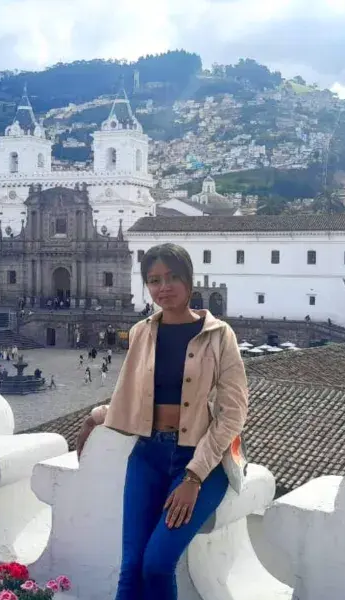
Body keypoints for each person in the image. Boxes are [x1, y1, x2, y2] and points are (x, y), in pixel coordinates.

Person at [75, 243, 248, 600]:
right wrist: (97, 417)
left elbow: (233, 412)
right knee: (131, 567)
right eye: (154, 280)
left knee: (156, 564)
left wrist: (194, 476)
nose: (163, 287)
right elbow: (135, 399)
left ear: (188, 280)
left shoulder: (219, 335)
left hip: (201, 463)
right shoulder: (142, 332)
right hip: (148, 456)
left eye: (171, 277)